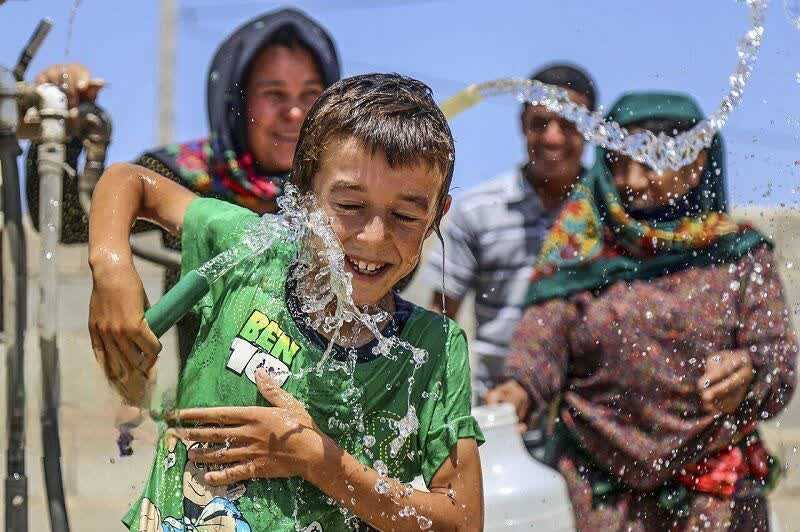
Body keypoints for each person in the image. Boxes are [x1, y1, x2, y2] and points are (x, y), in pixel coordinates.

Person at [87, 73, 484, 531]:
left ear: (438, 214)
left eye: (406, 216)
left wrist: (317, 459)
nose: (374, 237)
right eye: (350, 206)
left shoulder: (431, 349)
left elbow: (463, 521)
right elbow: (130, 182)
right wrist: (112, 264)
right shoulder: (252, 253)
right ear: (303, 191)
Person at [502, 92, 797, 530]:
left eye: (648, 161)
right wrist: (517, 388)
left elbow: (777, 360)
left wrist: (748, 371)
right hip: (597, 494)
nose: (631, 182)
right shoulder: (580, 253)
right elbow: (540, 341)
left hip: (712, 497)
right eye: (618, 163)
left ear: (696, 163)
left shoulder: (738, 254)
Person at [28, 7, 341, 360]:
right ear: (237, 100)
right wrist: (61, 123)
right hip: (207, 411)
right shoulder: (182, 179)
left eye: (311, 94)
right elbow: (64, 221)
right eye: (274, 94)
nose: (295, 113)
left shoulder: (343, 192)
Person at [421, 63, 597, 397]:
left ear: (591, 128)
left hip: (583, 413)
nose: (553, 137)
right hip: (492, 407)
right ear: (522, 125)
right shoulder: (478, 210)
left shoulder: (607, 215)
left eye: (569, 123)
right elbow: (440, 316)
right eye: (541, 123)